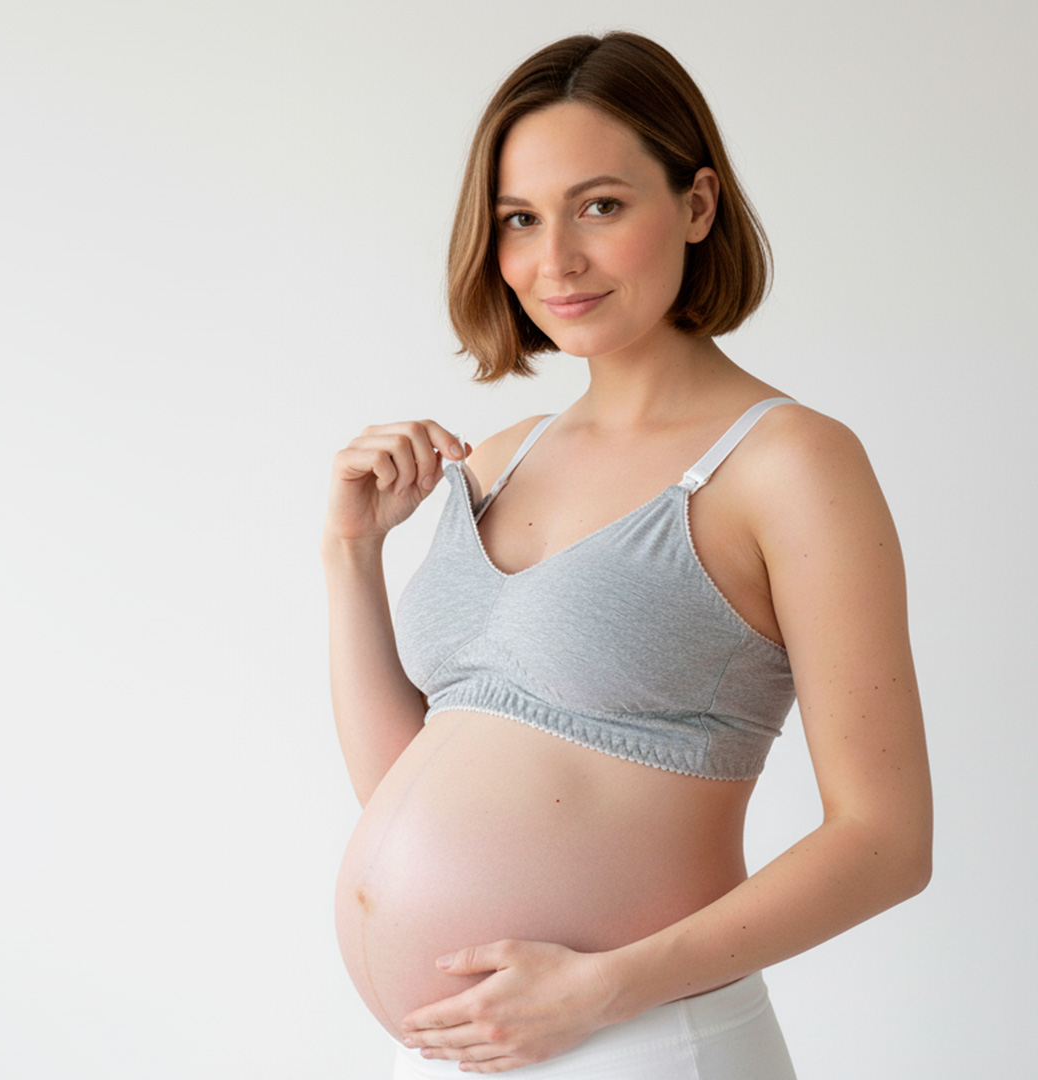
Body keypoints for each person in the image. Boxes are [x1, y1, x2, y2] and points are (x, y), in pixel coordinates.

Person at [322, 31, 932, 1078]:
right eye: (520, 220)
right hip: (471, 1051)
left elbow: (886, 842)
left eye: (599, 206)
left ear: (696, 205)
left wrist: (604, 989)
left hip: (644, 1042)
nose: (554, 261)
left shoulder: (790, 464)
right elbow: (401, 788)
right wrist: (350, 555)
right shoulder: (500, 461)